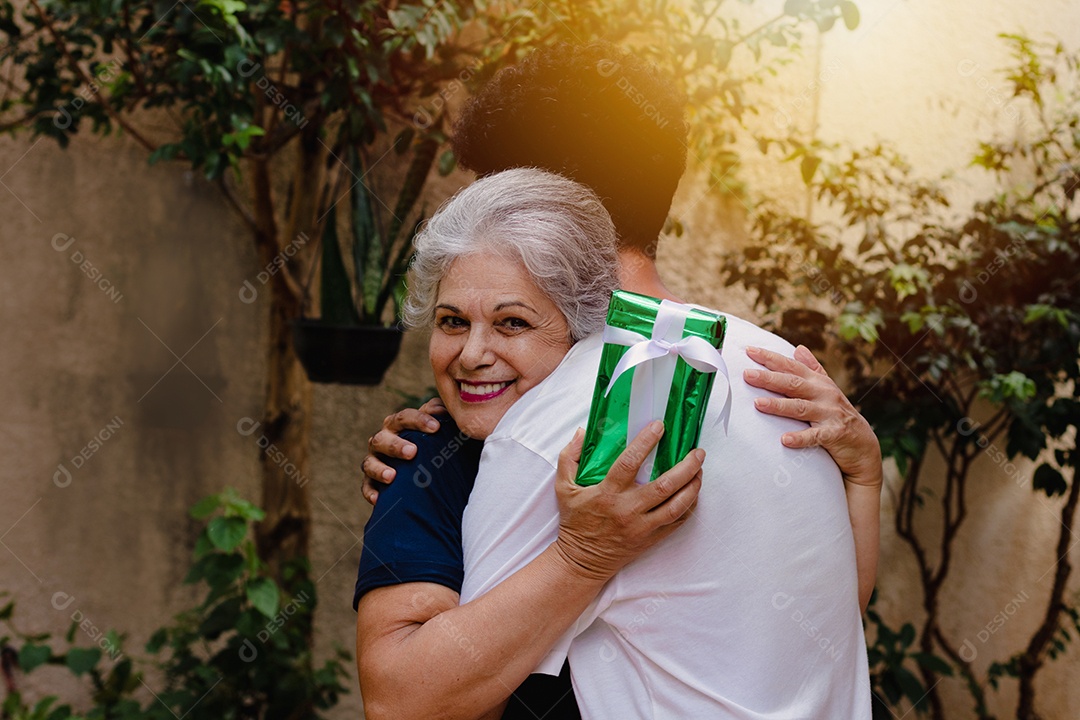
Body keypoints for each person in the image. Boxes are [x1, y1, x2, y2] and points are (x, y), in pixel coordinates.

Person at [361, 41, 881, 718]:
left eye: (493, 193)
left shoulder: (551, 417)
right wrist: (863, 476)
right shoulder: (777, 373)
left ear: (538, 208)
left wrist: (579, 555)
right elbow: (822, 625)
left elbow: (408, 701)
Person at [355, 168, 706, 720]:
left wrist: (861, 475)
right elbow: (397, 700)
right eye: (451, 322)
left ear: (581, 331)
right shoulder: (423, 456)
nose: (471, 354)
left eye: (511, 323)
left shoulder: (653, 433)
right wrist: (582, 558)